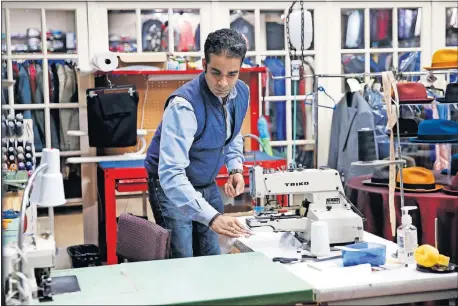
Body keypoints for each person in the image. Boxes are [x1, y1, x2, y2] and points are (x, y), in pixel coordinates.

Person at [144, 28, 252, 259]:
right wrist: (212, 217)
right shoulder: (183, 106)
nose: (223, 82)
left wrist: (235, 167)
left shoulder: (241, 92)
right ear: (204, 63)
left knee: (211, 254)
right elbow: (171, 174)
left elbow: (232, 133)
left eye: (232, 74)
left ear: (240, 68)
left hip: (205, 182)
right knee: (182, 256)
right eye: (215, 72)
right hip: (169, 186)